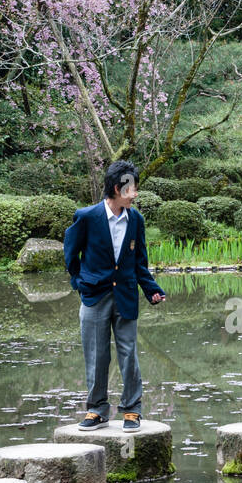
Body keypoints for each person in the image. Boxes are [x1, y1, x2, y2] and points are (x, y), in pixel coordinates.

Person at [63, 160, 166, 432]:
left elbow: (139, 262)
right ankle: (97, 410)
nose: (135, 195)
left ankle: (132, 410)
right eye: (131, 189)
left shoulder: (136, 220)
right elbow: (70, 254)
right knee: (96, 355)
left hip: (126, 293)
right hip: (94, 295)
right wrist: (80, 283)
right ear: (117, 189)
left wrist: (152, 289)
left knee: (129, 352)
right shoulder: (86, 216)